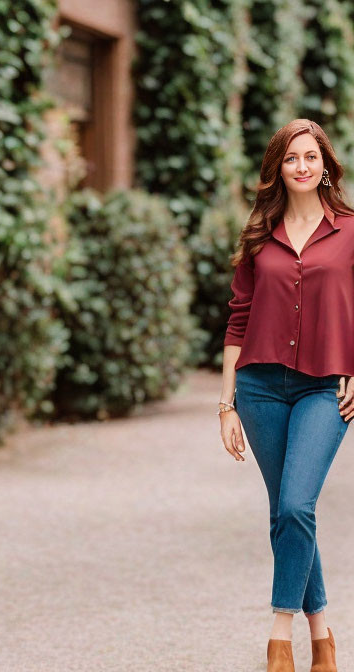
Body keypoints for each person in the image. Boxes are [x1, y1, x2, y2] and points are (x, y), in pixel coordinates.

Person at [220, 118, 354, 672]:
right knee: (288, 512)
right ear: (278, 167)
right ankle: (322, 635)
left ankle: (280, 636)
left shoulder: (349, 231)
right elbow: (238, 320)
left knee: (297, 503)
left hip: (327, 387)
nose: (303, 165)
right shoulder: (259, 235)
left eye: (312, 156)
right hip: (259, 388)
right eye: (292, 157)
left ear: (326, 165)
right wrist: (226, 403)